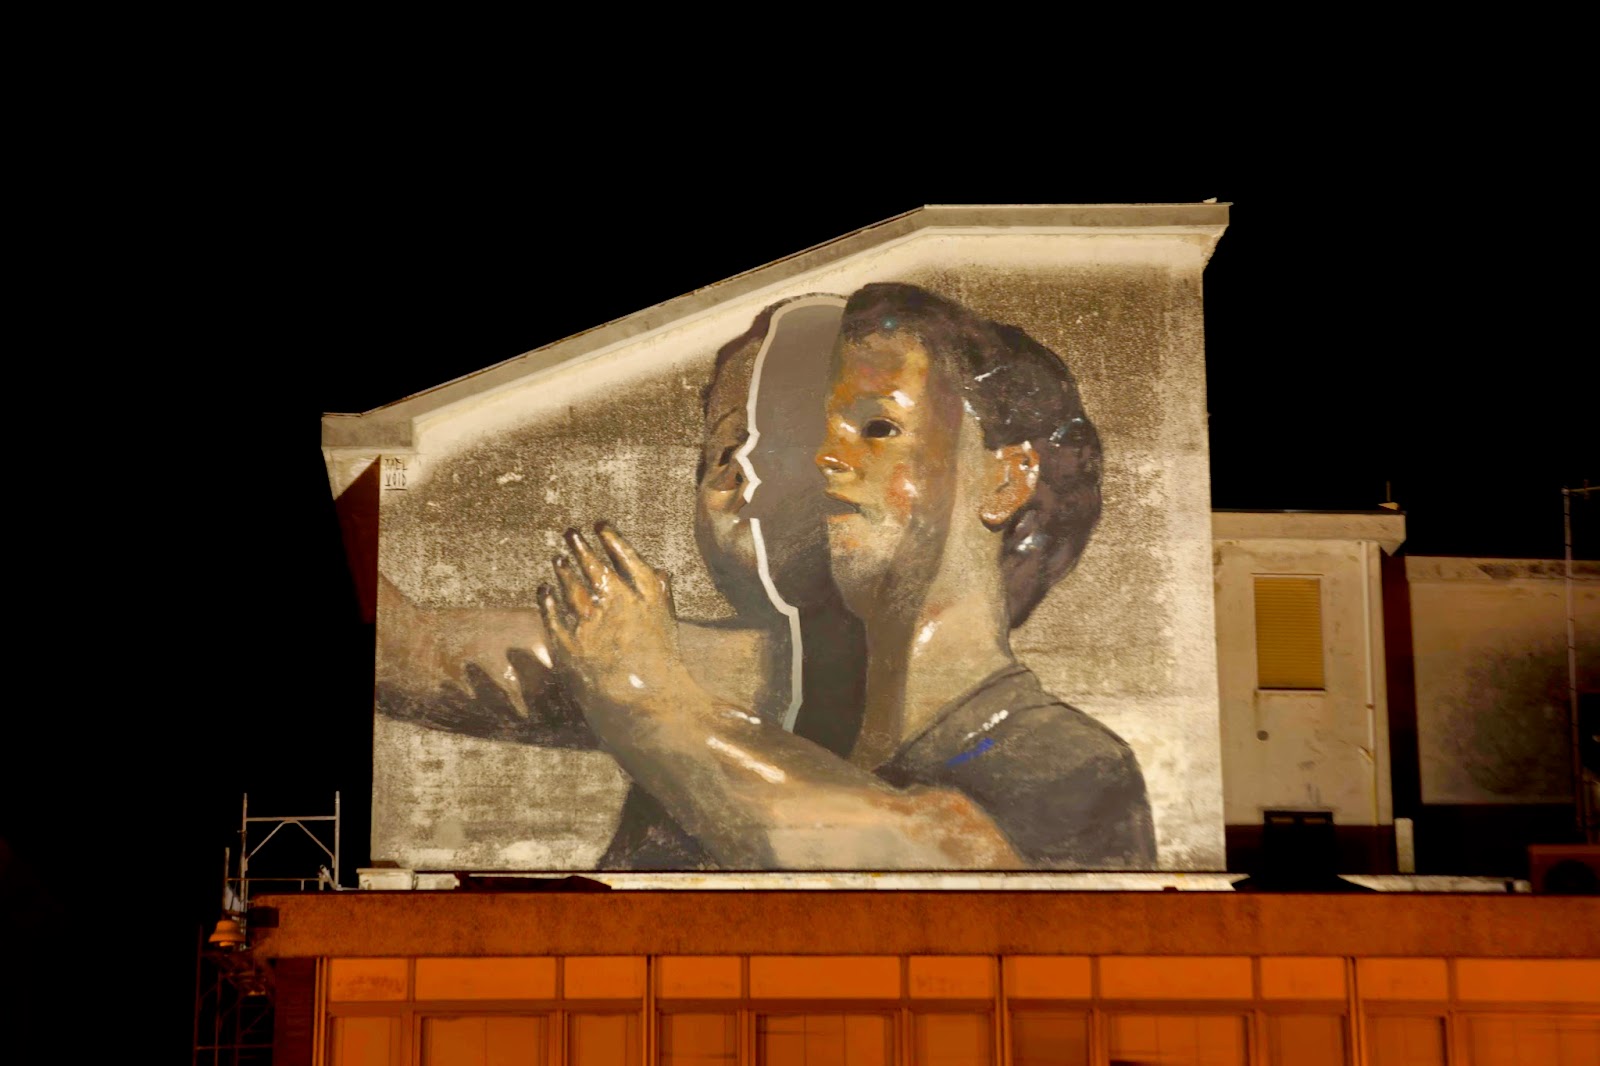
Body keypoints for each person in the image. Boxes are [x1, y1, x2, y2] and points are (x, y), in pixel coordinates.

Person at [541, 282, 1156, 869]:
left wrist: (650, 703)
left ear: (1004, 479)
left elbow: (925, 858)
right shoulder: (764, 721)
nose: (823, 458)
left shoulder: (1064, 760)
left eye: (878, 428)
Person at [372, 295, 867, 867]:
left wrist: (641, 683)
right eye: (728, 446)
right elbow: (409, 655)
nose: (745, 467)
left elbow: (411, 658)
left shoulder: (766, 664)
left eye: (792, 435)